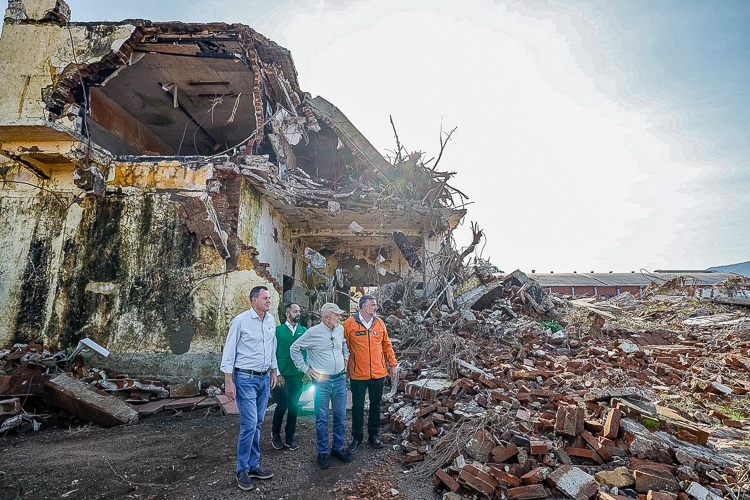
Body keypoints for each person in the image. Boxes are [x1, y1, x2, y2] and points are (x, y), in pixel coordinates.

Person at [220, 285, 279, 491]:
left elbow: (272, 347)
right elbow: (229, 351)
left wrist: (274, 370)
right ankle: (242, 469)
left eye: (269, 298)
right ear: (254, 300)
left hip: (264, 378)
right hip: (245, 378)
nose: (268, 301)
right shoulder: (241, 321)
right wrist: (229, 381)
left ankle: (254, 465)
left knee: (259, 421)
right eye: (265, 298)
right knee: (249, 423)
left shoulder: (270, 320)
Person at [289, 302, 352, 469]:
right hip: (322, 381)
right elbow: (294, 349)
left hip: (339, 379)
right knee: (322, 418)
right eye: (336, 315)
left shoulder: (339, 329)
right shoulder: (313, 332)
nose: (339, 317)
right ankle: (323, 452)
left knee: (340, 416)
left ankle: (338, 448)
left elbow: (344, 345)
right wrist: (305, 369)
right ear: (327, 317)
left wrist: (346, 358)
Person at [343, 295, 398, 454]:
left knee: (375, 405)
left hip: (378, 373)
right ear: (363, 306)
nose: (375, 308)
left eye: (375, 305)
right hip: (358, 374)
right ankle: (357, 438)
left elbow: (387, 345)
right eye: (373, 305)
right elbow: (341, 346)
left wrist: (393, 364)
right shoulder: (349, 324)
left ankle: (373, 435)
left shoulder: (379, 323)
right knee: (358, 407)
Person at [271, 303, 307, 451]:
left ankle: (290, 437)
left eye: (299, 311)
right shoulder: (277, 331)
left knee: (294, 407)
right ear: (287, 314)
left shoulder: (303, 331)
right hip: (282, 375)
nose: (298, 313)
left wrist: (306, 371)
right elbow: (272, 352)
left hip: (297, 375)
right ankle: (276, 435)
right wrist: (277, 373)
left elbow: (307, 352)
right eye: (295, 311)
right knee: (281, 405)